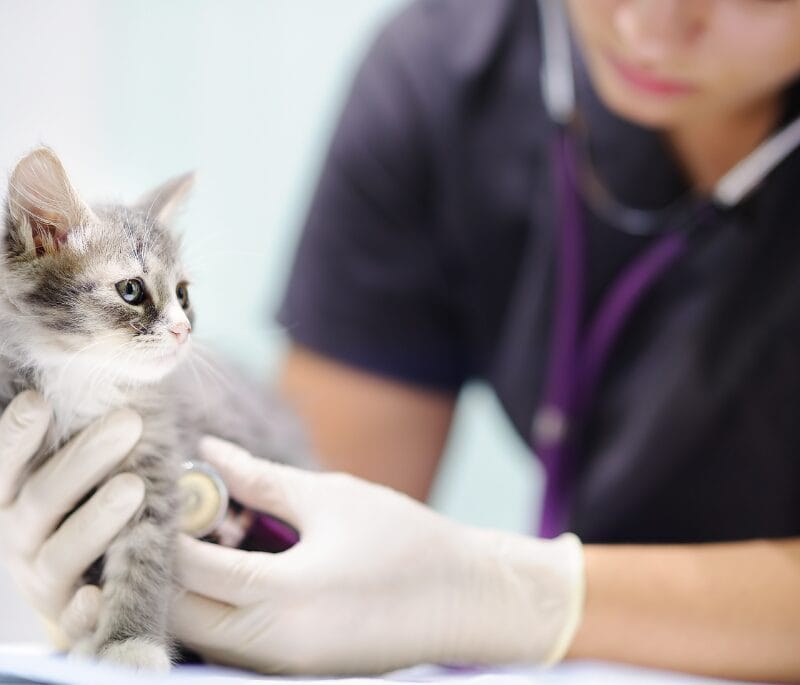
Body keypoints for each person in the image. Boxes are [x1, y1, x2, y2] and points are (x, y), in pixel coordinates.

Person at [2, 0, 800, 680]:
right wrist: (167, 589)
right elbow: (314, 525)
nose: (651, 26)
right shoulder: (442, 74)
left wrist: (506, 591)